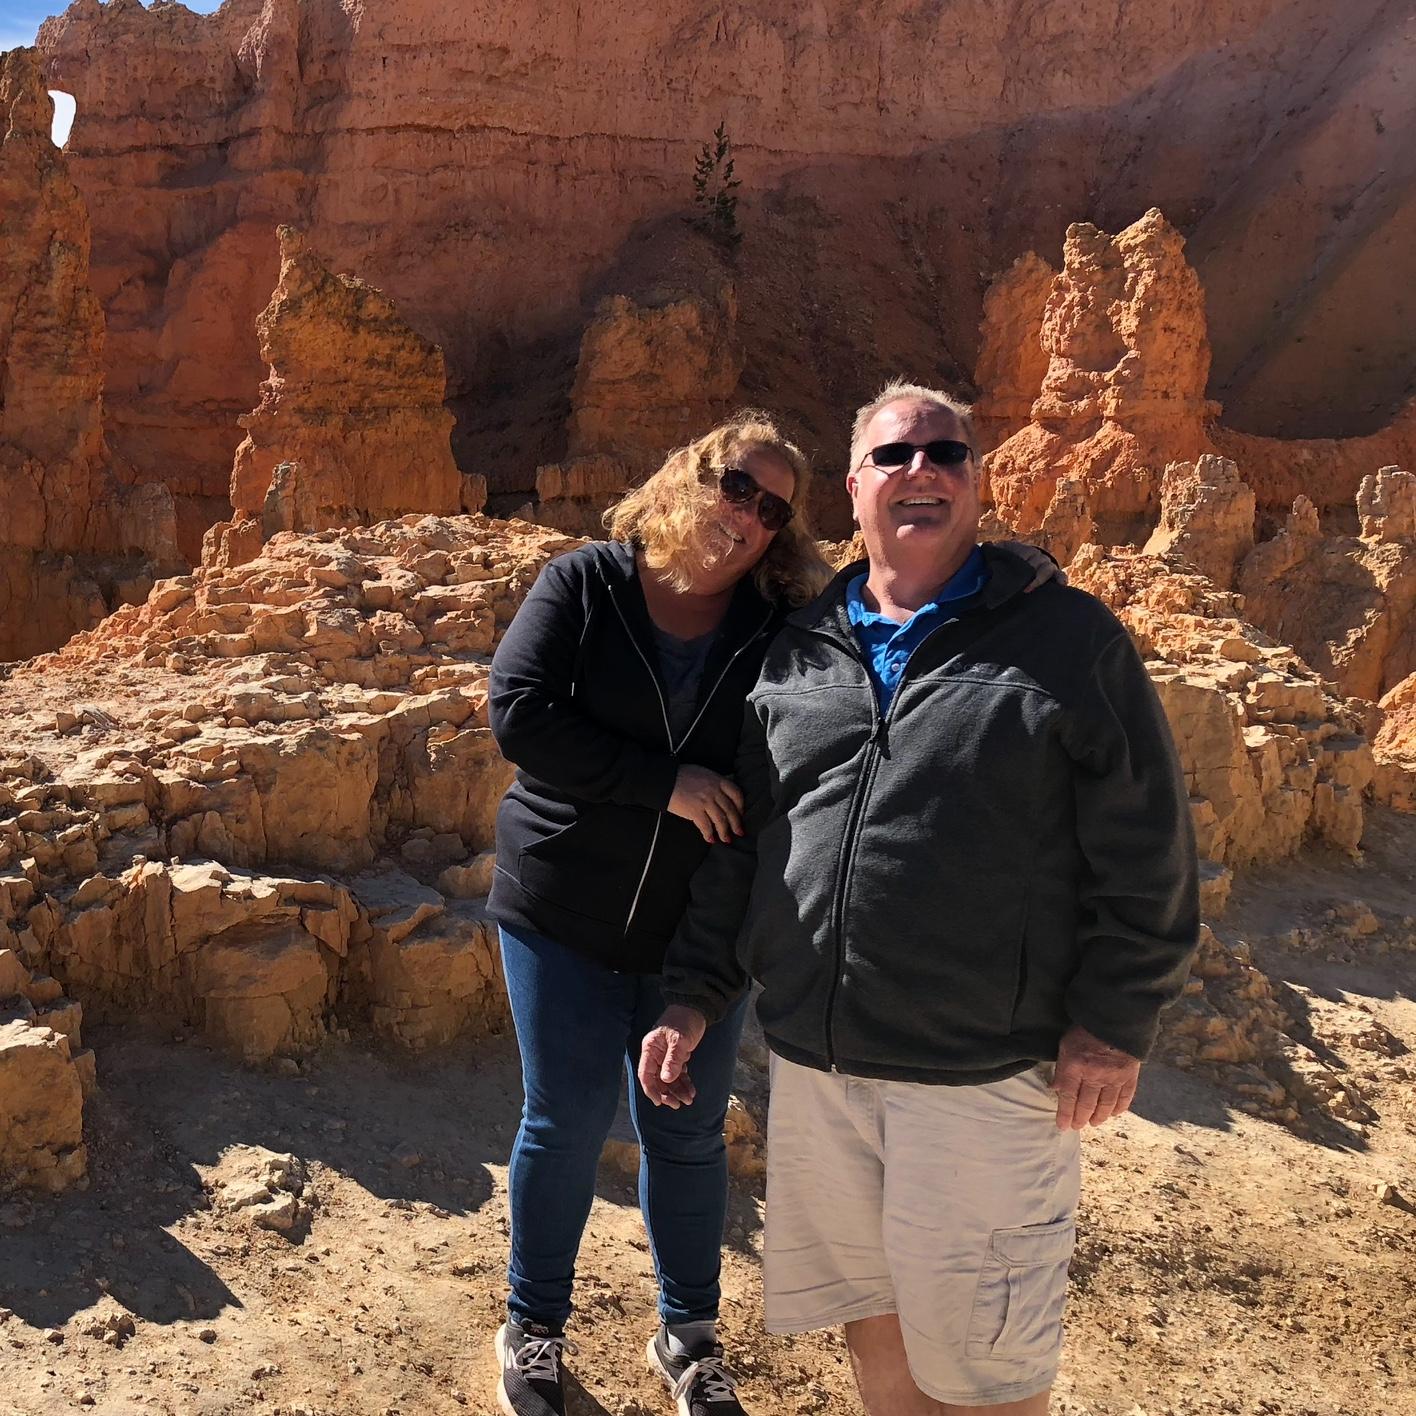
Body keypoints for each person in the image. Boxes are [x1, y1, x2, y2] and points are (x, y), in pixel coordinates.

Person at [638, 381, 1200, 1415]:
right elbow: (748, 848)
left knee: (987, 1368)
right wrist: (694, 994)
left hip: (979, 1072)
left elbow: (1149, 843)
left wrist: (1115, 1021)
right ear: (854, 490)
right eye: (893, 456)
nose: (921, 471)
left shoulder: (1067, 639)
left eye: (946, 452)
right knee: (877, 1326)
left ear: (980, 483)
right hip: (822, 1067)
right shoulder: (800, 648)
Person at [486, 411, 830, 1416]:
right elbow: (521, 714)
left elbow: (755, 820)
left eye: (772, 510)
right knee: (565, 1117)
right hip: (558, 906)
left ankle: (689, 1339)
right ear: (690, 476)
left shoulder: (769, 639)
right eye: (736, 485)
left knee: (686, 1130)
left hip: (690, 927)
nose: (747, 515)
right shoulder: (586, 583)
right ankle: (533, 1327)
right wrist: (662, 784)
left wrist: (699, 991)